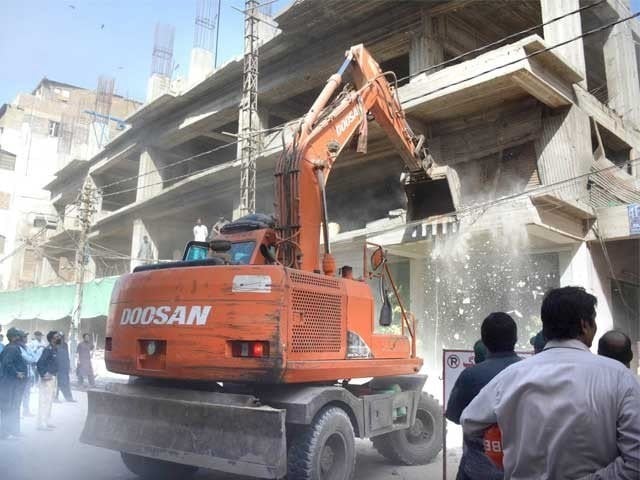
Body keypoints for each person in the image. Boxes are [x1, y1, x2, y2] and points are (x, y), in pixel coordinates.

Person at [461, 286, 640, 479]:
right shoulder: (620, 378)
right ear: (585, 325)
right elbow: (635, 463)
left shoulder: (511, 377)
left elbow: (469, 422)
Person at [446, 313, 522, 480]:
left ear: (484, 340)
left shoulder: (471, 375)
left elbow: (454, 416)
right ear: (515, 338)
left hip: (477, 470)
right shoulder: (531, 371)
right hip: (521, 467)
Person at [0, 327, 28, 440]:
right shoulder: (12, 348)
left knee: (14, 407)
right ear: (12, 337)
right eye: (17, 336)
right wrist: (16, 373)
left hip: (13, 384)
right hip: (9, 384)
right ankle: (4, 433)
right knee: (7, 408)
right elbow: (7, 363)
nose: (20, 338)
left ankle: (14, 431)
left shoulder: (14, 347)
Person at [36, 331, 60, 431]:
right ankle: (41, 424)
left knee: (49, 400)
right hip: (47, 378)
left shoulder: (55, 349)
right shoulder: (48, 349)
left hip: (53, 377)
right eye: (57, 337)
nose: (59, 338)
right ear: (51, 339)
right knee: (44, 401)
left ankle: (46, 421)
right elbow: (39, 363)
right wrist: (44, 374)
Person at [18, 332, 39, 417]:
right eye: (24, 337)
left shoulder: (26, 347)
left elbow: (34, 358)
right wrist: (32, 357)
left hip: (29, 373)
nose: (26, 338)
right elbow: (29, 359)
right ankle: (19, 412)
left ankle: (26, 411)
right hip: (22, 374)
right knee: (20, 394)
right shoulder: (19, 348)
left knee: (27, 394)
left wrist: (32, 357)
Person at [55, 332, 75, 402]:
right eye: (59, 336)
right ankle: (55, 398)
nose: (61, 338)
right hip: (58, 366)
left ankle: (69, 397)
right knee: (57, 383)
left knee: (66, 382)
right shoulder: (55, 344)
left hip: (64, 366)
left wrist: (69, 366)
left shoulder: (65, 345)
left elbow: (67, 356)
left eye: (62, 336)